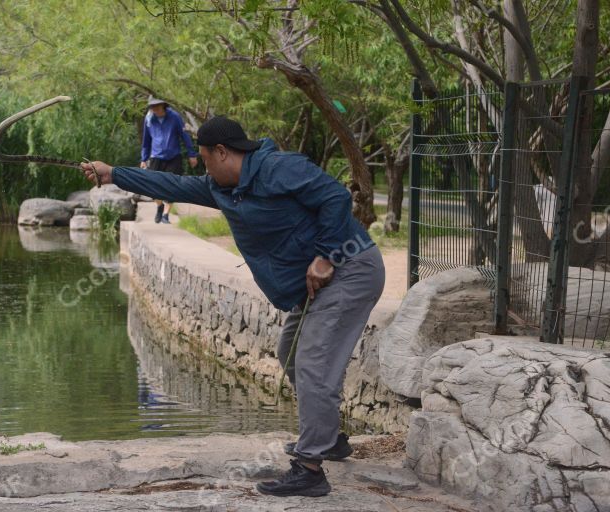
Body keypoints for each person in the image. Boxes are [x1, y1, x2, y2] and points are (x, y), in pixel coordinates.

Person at [81, 116, 385, 498]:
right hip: (316, 283)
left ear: (223, 152)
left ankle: (309, 469)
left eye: (206, 159)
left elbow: (335, 198)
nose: (204, 168)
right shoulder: (224, 188)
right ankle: (330, 439)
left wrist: (325, 255)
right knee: (290, 352)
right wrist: (113, 175)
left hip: (349, 269)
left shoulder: (278, 168)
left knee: (312, 361)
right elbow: (173, 184)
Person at [140, 96, 199, 223]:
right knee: (153, 185)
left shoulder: (174, 117)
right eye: (152, 106)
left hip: (173, 156)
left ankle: (166, 215)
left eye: (156, 106)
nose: (154, 109)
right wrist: (144, 158)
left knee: (172, 185)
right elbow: (146, 140)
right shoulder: (149, 119)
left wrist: (192, 154)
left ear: (163, 106)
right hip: (156, 156)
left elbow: (184, 135)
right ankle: (159, 206)